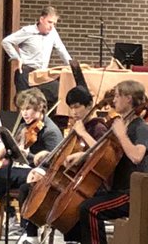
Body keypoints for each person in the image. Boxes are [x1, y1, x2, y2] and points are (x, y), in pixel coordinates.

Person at [58, 80, 148, 244]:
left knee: (90, 209)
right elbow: (106, 154)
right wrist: (82, 156)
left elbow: (137, 156)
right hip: (116, 189)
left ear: (128, 98)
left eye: (117, 96)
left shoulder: (140, 127)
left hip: (131, 193)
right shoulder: (121, 124)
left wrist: (122, 135)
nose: (113, 100)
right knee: (77, 202)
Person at [0, 88, 62, 240]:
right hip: (18, 171)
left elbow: (53, 162)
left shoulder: (50, 131)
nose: (24, 113)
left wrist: (28, 155)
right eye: (22, 109)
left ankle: (13, 221)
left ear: (40, 108)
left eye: (28, 109)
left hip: (34, 174)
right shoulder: (25, 126)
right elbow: (16, 149)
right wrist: (5, 147)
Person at [18, 86, 107, 244]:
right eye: (71, 108)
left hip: (88, 182)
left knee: (71, 202)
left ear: (89, 106)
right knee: (29, 187)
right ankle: (31, 236)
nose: (74, 112)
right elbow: (64, 157)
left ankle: (72, 239)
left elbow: (102, 153)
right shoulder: (78, 126)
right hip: (71, 177)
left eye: (77, 107)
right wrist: (47, 156)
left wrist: (83, 134)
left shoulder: (97, 127)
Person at [2, 7, 73, 105]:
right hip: (26, 72)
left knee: (57, 93)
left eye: (54, 23)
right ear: (41, 19)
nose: (52, 26)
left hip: (41, 74)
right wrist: (16, 58)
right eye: (49, 22)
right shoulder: (28, 31)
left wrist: (73, 66)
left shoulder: (53, 33)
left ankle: (47, 119)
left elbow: (62, 50)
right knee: (26, 104)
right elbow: (6, 41)